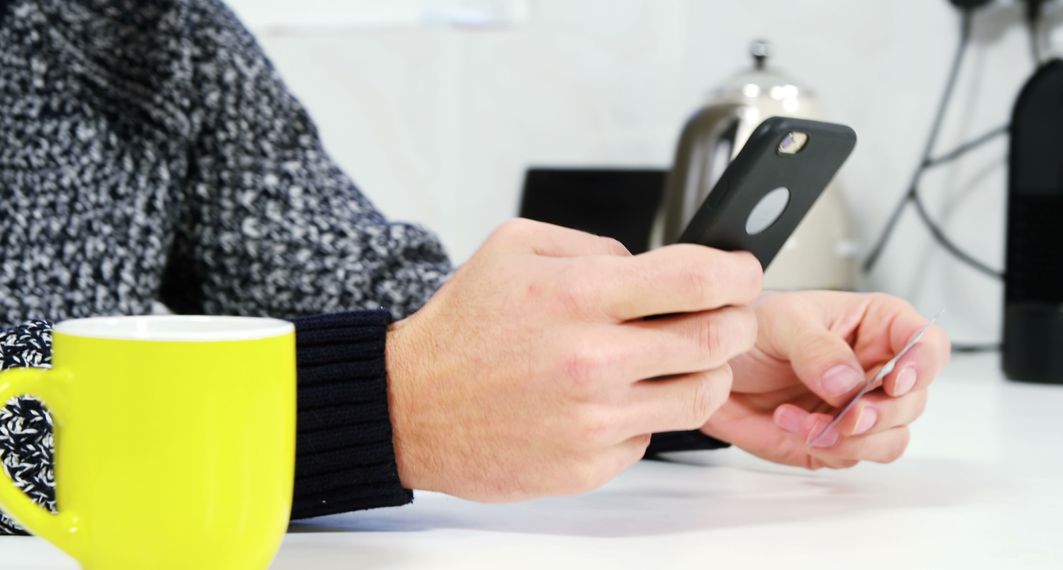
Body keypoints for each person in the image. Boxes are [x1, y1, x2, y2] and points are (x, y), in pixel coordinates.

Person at [0, 0, 950, 535]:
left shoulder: (150, 29)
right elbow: (404, 379)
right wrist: (387, 407)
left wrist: (658, 354)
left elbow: (359, 282)